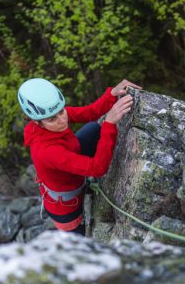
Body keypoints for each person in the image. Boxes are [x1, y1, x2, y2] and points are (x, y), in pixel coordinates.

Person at [19, 78, 141, 235]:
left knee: (92, 129)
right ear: (36, 122)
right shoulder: (46, 151)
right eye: (52, 119)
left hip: (69, 169)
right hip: (67, 208)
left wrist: (111, 94)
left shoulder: (51, 113)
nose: (62, 119)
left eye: (62, 111)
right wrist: (109, 124)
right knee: (82, 243)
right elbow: (97, 168)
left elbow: (89, 111)